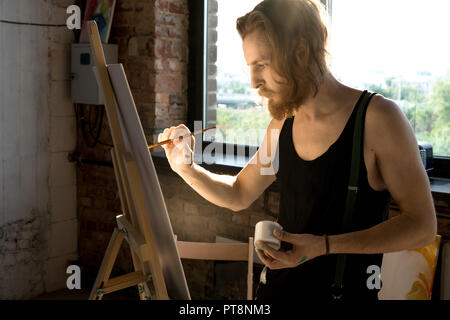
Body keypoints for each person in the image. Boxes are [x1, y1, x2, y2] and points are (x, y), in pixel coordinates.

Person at [157, 0, 437, 300]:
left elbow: (421, 225)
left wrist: (326, 245)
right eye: (250, 67)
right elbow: (239, 193)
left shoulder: (379, 118)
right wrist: (186, 169)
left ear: (300, 52)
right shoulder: (281, 125)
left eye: (261, 65)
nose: (253, 82)